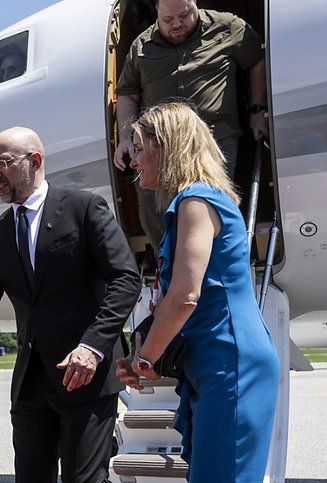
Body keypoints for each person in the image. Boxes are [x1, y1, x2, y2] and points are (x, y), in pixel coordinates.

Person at [0, 127, 141, 483]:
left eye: (4, 163)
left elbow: (126, 279)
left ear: (36, 161)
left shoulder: (84, 208)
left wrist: (92, 346)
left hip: (85, 374)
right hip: (31, 381)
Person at [116, 102, 280, 482]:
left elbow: (184, 297)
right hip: (215, 362)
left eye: (139, 148)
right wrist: (142, 345)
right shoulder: (191, 203)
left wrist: (145, 358)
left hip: (230, 361)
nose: (134, 160)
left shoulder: (196, 200)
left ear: (167, 148)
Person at [113, 0, 269, 253]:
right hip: (161, 142)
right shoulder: (141, 45)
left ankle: (213, 264)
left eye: (184, 15)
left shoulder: (227, 26)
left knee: (208, 199)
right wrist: (126, 137)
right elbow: (128, 94)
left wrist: (257, 109)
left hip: (213, 135)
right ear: (157, 13)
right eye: (167, 19)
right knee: (151, 198)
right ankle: (170, 262)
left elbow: (256, 58)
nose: (177, 24)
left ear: (195, 3)